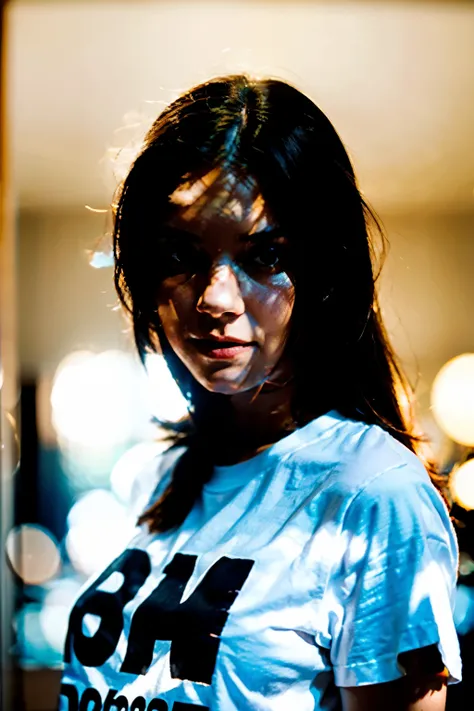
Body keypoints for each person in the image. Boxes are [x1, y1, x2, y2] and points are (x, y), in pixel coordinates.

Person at [59, 75, 461, 711]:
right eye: (179, 253)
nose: (216, 299)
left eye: (266, 255)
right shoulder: (165, 473)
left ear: (324, 271)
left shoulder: (372, 493)